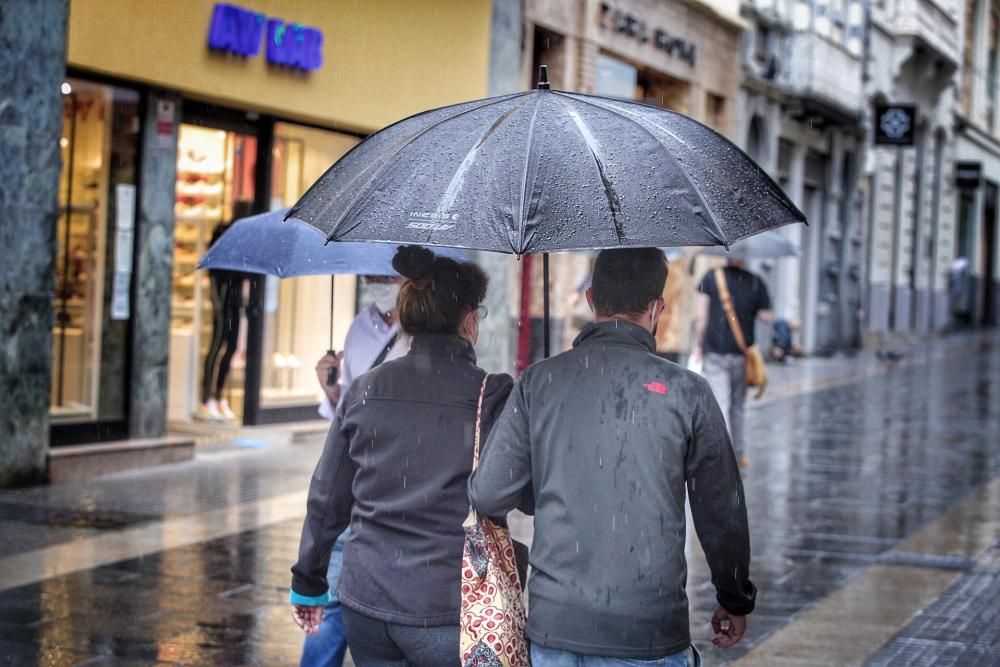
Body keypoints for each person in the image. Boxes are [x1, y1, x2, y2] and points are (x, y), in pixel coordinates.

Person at [470, 248, 756, 666]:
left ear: (590, 300)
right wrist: (734, 597)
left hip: (557, 627)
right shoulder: (688, 391)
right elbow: (722, 512)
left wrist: (544, 478)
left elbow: (489, 494)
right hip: (649, 630)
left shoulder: (539, 381)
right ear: (658, 308)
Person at [290, 246, 513, 667]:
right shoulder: (493, 393)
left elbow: (327, 497)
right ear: (469, 320)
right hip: (448, 603)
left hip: (366, 601)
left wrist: (308, 581)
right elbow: (510, 491)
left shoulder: (363, 390)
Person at [304, 274, 407, 667]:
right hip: (354, 482)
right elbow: (344, 415)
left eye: (386, 276)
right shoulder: (357, 328)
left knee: (389, 613)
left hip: (399, 487)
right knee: (331, 601)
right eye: (370, 277)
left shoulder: (424, 333)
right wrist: (331, 391)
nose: (376, 283)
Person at [692, 259, 773, 468]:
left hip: (715, 351)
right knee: (738, 406)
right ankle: (739, 454)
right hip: (741, 353)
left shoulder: (710, 278)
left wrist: (698, 344)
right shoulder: (756, 281)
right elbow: (766, 316)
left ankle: (722, 455)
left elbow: (701, 316)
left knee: (721, 403)